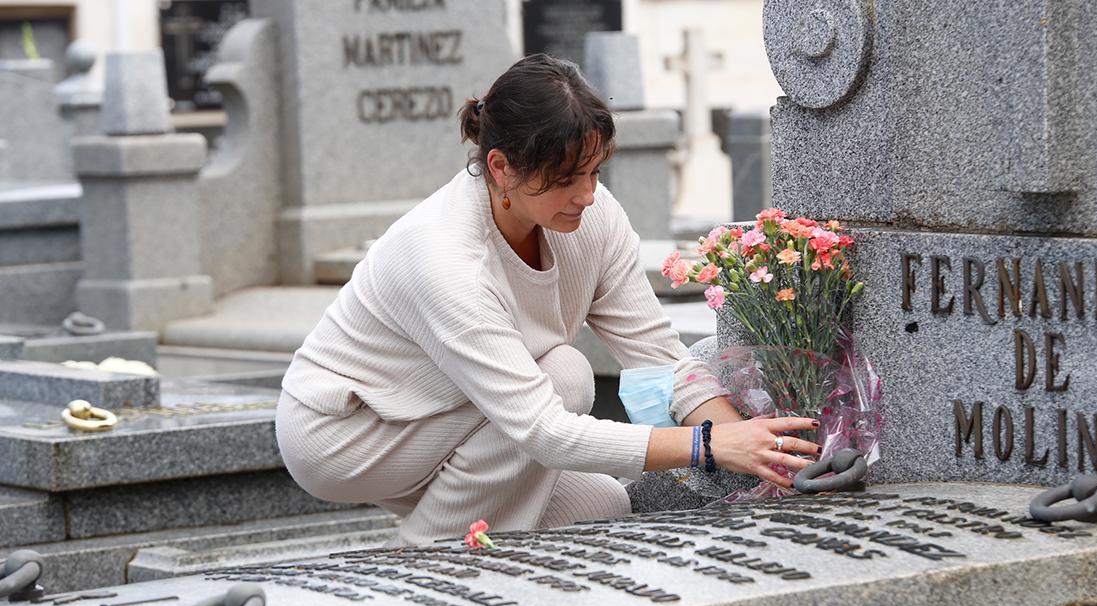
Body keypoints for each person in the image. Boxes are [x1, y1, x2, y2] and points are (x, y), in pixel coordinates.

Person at [275, 54, 819, 546]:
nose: (586, 194)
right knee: (565, 376)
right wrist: (707, 446)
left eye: (593, 171)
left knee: (599, 506)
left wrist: (763, 450)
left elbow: (658, 357)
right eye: (564, 178)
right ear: (500, 168)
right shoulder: (444, 257)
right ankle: (420, 565)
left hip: (452, 416)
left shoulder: (592, 216)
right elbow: (541, 430)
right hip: (350, 433)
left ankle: (440, 548)